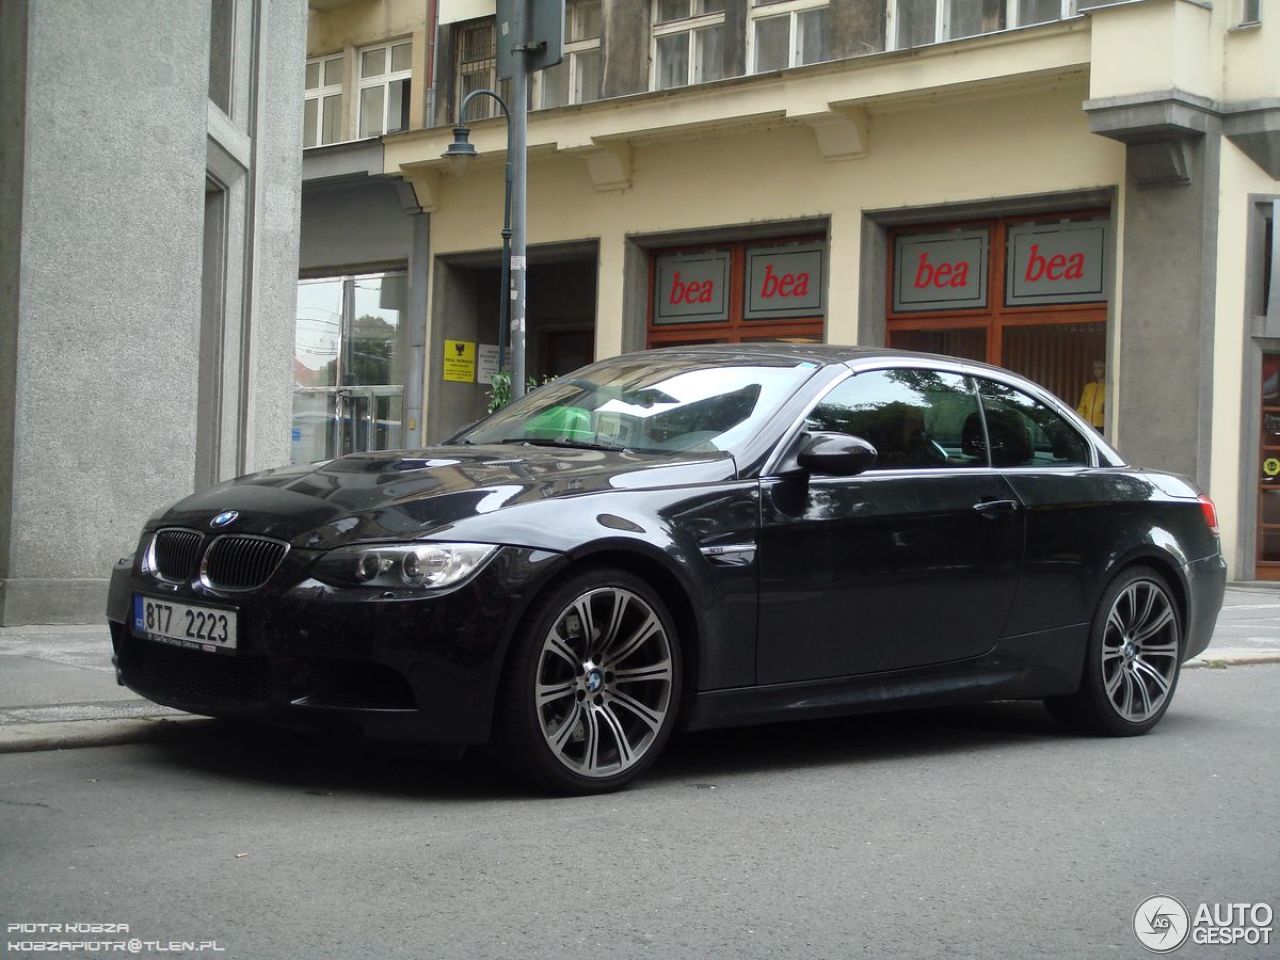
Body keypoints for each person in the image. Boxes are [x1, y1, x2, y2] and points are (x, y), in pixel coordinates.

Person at [1077, 359, 1106, 433]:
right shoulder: (1089, 387)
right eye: (1095, 368)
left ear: (1105, 369)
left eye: (1099, 368)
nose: (1096, 371)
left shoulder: (1108, 388)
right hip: (1088, 424)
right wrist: (1077, 419)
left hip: (1102, 425)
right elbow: (1082, 407)